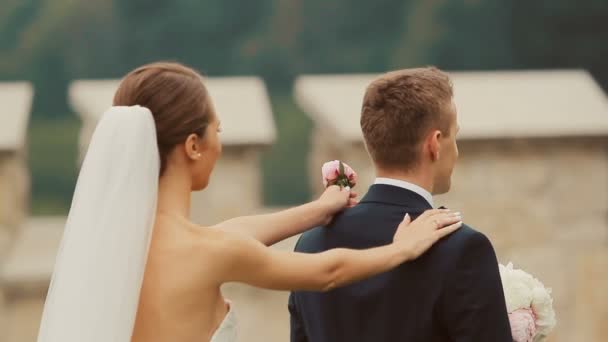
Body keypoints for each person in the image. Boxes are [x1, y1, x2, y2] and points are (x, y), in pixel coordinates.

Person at [36, 62, 462, 342]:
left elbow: (236, 231)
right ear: (192, 146)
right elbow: (329, 272)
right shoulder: (209, 251)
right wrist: (401, 249)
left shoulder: (123, 244)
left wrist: (317, 210)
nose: (221, 144)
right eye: (216, 131)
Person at [289, 67, 512, 342]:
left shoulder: (310, 245)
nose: (457, 151)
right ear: (435, 144)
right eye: (455, 136)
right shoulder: (462, 249)